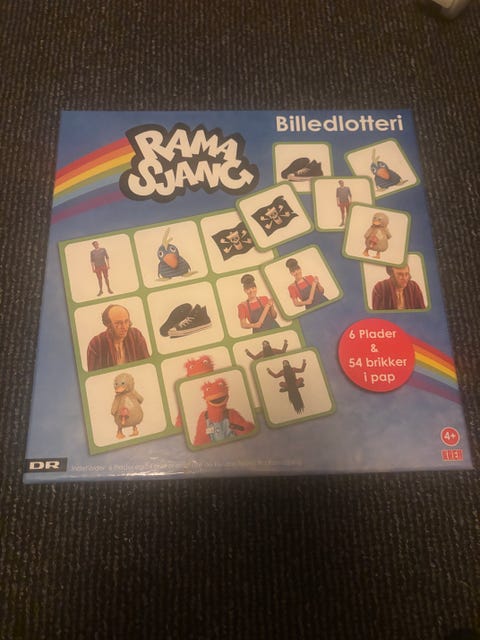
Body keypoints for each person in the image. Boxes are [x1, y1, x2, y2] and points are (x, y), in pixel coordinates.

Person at [87, 304, 150, 371]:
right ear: (108, 325)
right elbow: (94, 375)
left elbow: (147, 365)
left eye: (126, 321)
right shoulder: (96, 344)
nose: (124, 327)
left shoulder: (136, 335)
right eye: (118, 323)